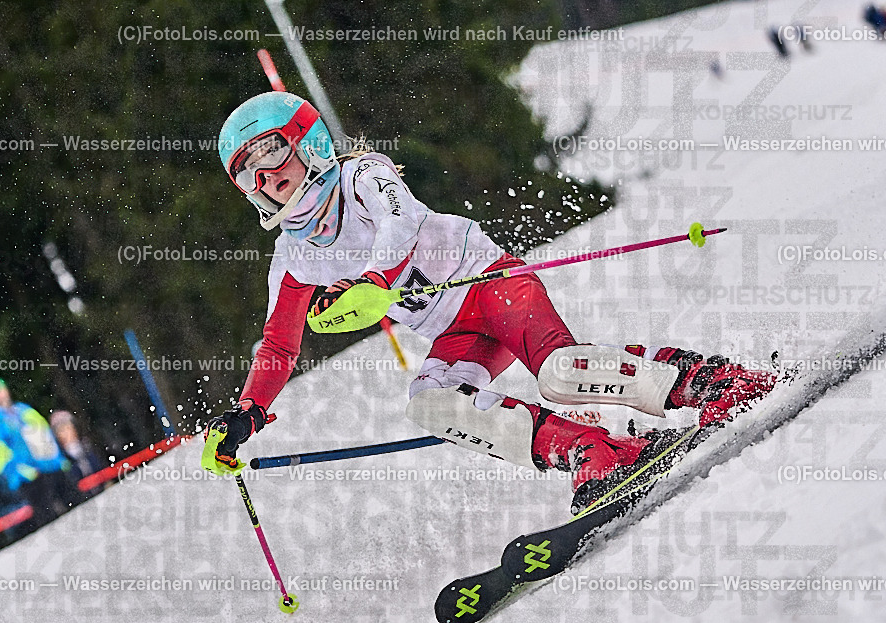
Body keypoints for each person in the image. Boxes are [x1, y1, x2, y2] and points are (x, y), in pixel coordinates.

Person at [203, 92, 776, 514]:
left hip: (490, 284)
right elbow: (279, 342)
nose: (264, 175)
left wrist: (373, 281)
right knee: (430, 403)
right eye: (245, 171)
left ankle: (703, 381)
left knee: (557, 372)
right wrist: (247, 413)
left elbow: (398, 226)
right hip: (456, 331)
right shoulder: (293, 258)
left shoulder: (362, 176)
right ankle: (597, 451)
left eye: (271, 151)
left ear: (309, 140)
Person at [0, 376, 81, 524]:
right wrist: (20, 471)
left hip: (53, 468)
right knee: (51, 520)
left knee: (78, 507)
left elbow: (45, 434)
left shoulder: (21, 409)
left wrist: (59, 459)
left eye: (0, 389)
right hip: (29, 479)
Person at [49, 410, 104, 497]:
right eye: (61, 430)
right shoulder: (61, 460)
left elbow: (103, 468)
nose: (66, 433)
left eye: (68, 427)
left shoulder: (89, 446)